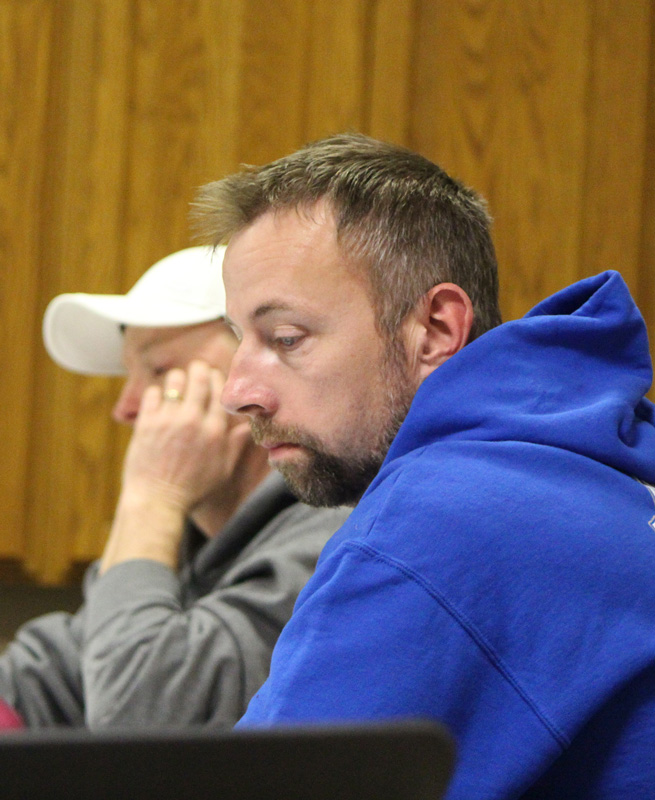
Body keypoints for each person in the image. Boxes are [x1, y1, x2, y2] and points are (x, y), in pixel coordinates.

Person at [192, 133, 655, 798]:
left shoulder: (439, 522)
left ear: (436, 329)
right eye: (240, 341)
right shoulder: (600, 467)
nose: (239, 391)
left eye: (286, 338)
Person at [0, 246, 349, 729]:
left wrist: (152, 497)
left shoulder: (332, 541)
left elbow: (139, 720)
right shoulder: (193, 548)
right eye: (130, 374)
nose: (125, 407)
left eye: (160, 371)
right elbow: (49, 677)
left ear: (250, 383)